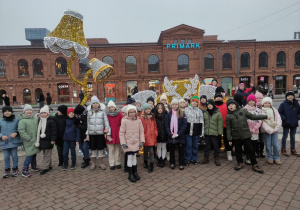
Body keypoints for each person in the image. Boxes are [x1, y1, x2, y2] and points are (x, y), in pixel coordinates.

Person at [226, 100, 267, 173]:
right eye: (229, 105)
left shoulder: (243, 111)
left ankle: (254, 164)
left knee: (250, 149)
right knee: (238, 150)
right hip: (236, 136)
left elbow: (253, 117)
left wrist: (265, 116)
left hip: (246, 134)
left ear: (236, 105)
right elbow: (228, 128)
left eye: (232, 104)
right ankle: (240, 163)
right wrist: (229, 139)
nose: (230, 106)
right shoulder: (228, 116)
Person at [119, 105, 145, 182]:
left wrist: (142, 141)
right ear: (127, 113)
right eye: (130, 112)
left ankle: (135, 172)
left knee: (134, 157)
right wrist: (123, 143)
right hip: (128, 143)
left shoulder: (139, 121)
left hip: (136, 142)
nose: (132, 113)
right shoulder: (124, 121)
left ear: (136, 112)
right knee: (130, 157)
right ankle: (130, 174)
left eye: (133, 112)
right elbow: (121, 133)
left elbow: (141, 132)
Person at [86, 96, 111, 170]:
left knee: (100, 149)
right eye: (94, 103)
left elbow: (106, 123)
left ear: (99, 104)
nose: (95, 105)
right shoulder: (89, 113)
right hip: (92, 134)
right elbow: (88, 124)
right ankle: (93, 163)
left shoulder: (102, 113)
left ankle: (101, 163)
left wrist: (108, 132)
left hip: (100, 134)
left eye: (97, 103)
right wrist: (87, 134)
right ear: (91, 105)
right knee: (93, 150)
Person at [18, 104, 41, 177]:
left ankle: (34, 166)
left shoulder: (35, 118)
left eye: (30, 110)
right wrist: (28, 138)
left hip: (35, 139)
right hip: (28, 141)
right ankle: (24, 170)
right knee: (29, 154)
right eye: (27, 110)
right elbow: (21, 131)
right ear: (24, 111)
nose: (29, 111)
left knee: (34, 153)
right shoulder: (22, 121)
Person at [165, 99, 187, 170]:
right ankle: (172, 163)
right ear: (171, 106)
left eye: (176, 104)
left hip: (180, 135)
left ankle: (181, 163)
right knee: (172, 150)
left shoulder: (182, 113)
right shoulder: (169, 114)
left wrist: (178, 133)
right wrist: (170, 134)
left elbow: (184, 124)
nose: (174, 106)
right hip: (171, 135)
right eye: (173, 105)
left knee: (181, 150)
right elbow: (166, 125)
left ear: (178, 105)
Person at [0, 106, 22, 178]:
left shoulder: (16, 120)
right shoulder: (1, 121)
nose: (7, 112)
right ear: (3, 113)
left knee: (14, 155)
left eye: (9, 111)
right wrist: (1, 136)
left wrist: (16, 133)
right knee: (6, 156)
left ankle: (15, 168)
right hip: (4, 142)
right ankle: (7, 169)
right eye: (5, 111)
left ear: (12, 112)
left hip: (13, 142)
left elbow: (20, 129)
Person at [35, 106, 57, 175]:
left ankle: (45, 167)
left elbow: (54, 131)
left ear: (48, 113)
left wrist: (53, 140)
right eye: (42, 113)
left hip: (49, 140)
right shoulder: (40, 121)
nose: (43, 114)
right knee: (46, 154)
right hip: (42, 140)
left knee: (47, 155)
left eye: (45, 113)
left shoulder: (51, 121)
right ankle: (49, 165)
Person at [201, 99, 223, 166]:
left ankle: (216, 158)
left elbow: (220, 124)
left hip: (214, 133)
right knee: (207, 146)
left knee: (215, 146)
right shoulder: (205, 113)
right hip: (207, 133)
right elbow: (203, 123)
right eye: (208, 105)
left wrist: (220, 133)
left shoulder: (218, 113)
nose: (210, 106)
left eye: (211, 105)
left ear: (213, 105)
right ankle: (206, 158)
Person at [261, 97, 282, 164]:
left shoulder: (274, 110)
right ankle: (270, 157)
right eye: (265, 103)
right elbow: (262, 122)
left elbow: (278, 119)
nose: (267, 104)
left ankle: (276, 157)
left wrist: (276, 128)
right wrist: (269, 130)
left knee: (276, 145)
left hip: (275, 130)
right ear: (263, 104)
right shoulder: (261, 111)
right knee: (268, 144)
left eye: (269, 103)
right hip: (266, 131)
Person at [278, 91, 300, 156]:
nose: (290, 97)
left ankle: (293, 149)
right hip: (286, 123)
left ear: (293, 96)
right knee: (285, 136)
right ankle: (283, 149)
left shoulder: (296, 104)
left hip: (294, 123)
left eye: (291, 95)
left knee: (293, 136)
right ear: (286, 97)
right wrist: (284, 118)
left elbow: (299, 112)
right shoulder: (283, 104)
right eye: (288, 96)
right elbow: (279, 112)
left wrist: (297, 117)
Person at [243, 95, 263, 164]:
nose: (251, 102)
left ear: (255, 102)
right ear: (247, 101)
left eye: (253, 101)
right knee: (248, 145)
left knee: (254, 145)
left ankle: (252, 158)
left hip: (255, 131)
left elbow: (259, 121)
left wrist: (254, 129)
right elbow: (242, 121)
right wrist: (247, 129)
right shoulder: (244, 110)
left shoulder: (258, 110)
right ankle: (247, 157)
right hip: (246, 131)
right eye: (250, 101)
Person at [184, 96, 204, 165]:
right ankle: (187, 159)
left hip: (196, 130)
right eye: (193, 101)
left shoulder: (199, 111)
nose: (195, 103)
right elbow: (184, 120)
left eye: (196, 102)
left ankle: (193, 158)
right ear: (191, 102)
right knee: (188, 145)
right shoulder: (186, 110)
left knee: (195, 145)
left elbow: (201, 121)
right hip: (188, 130)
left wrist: (201, 132)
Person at [140, 103, 158, 173]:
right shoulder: (142, 118)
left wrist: (156, 133)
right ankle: (145, 161)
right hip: (144, 137)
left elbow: (155, 126)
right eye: (146, 109)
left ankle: (151, 163)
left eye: (149, 109)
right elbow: (140, 127)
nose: (148, 110)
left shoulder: (152, 117)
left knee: (151, 151)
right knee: (145, 151)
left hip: (152, 136)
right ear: (144, 110)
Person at [214, 92, 232, 161]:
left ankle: (229, 153)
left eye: (219, 97)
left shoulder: (226, 105)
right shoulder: (213, 106)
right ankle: (216, 153)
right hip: (216, 126)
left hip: (225, 125)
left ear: (222, 98)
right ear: (215, 98)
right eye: (217, 97)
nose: (218, 98)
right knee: (217, 140)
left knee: (227, 139)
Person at [106, 100, 123, 170]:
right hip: (110, 134)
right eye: (110, 107)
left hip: (118, 133)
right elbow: (106, 124)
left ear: (115, 107)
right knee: (111, 149)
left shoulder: (119, 115)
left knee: (118, 149)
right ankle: (111, 163)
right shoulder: (107, 115)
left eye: (112, 107)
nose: (111, 109)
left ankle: (117, 162)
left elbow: (122, 124)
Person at [74, 104, 90, 168]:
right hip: (80, 135)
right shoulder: (78, 116)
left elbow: (84, 127)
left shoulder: (85, 116)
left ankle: (86, 160)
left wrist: (78, 124)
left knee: (85, 147)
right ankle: (86, 157)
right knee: (81, 147)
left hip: (86, 135)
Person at [154, 103, 168, 167]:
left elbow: (167, 126)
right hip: (158, 135)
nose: (160, 110)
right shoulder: (155, 117)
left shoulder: (166, 116)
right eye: (158, 108)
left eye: (161, 108)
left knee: (164, 147)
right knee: (159, 147)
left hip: (164, 134)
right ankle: (159, 159)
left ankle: (163, 159)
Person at [255, 92, 266, 158]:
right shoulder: (253, 106)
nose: (259, 99)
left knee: (262, 139)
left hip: (263, 125)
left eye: (260, 98)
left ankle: (261, 151)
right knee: (256, 139)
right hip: (256, 125)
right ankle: (256, 151)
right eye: (257, 98)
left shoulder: (264, 106)